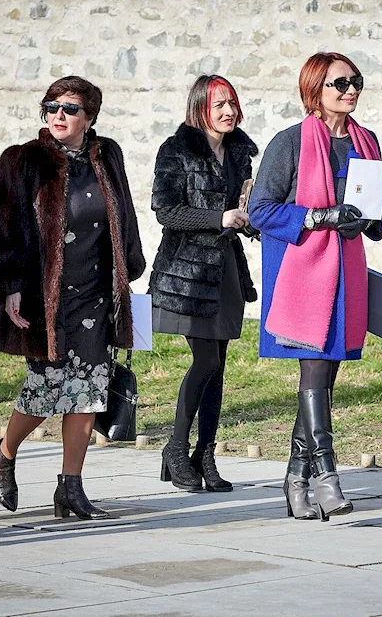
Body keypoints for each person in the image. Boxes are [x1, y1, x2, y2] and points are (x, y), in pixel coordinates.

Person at [0, 76, 145, 520]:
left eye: (69, 108)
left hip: (95, 294)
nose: (58, 115)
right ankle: (5, 453)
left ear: (89, 116)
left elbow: (124, 213)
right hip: (44, 297)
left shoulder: (107, 154)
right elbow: (0, 228)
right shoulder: (22, 161)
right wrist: (10, 286)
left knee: (89, 393)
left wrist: (128, 268)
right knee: (45, 389)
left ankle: (70, 487)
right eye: (51, 106)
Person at [249, 52, 382, 521]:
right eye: (339, 83)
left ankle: (295, 478)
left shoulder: (367, 142)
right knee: (313, 375)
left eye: (355, 81)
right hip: (304, 273)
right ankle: (326, 474)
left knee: (326, 379)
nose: (350, 90)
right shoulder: (289, 143)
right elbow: (261, 210)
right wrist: (322, 217)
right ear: (315, 90)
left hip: (348, 270)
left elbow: (370, 207)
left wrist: (368, 221)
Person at [149, 75, 259, 493]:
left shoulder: (240, 152)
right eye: (220, 105)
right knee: (206, 362)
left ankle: (205, 454)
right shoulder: (176, 150)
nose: (229, 111)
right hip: (187, 274)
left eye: (232, 102)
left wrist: (251, 221)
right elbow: (166, 211)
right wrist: (218, 218)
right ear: (200, 109)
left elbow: (243, 208)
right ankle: (176, 448)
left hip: (227, 269)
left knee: (220, 369)